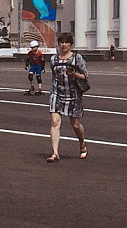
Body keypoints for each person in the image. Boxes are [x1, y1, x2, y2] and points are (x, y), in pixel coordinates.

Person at [47, 33, 88, 162]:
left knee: (75, 125)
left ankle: (82, 143)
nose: (63, 45)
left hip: (74, 94)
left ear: (70, 44)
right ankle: (55, 153)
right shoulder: (53, 59)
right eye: (61, 42)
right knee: (55, 122)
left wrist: (74, 74)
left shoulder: (77, 58)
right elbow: (54, 76)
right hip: (57, 93)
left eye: (66, 42)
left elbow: (85, 76)